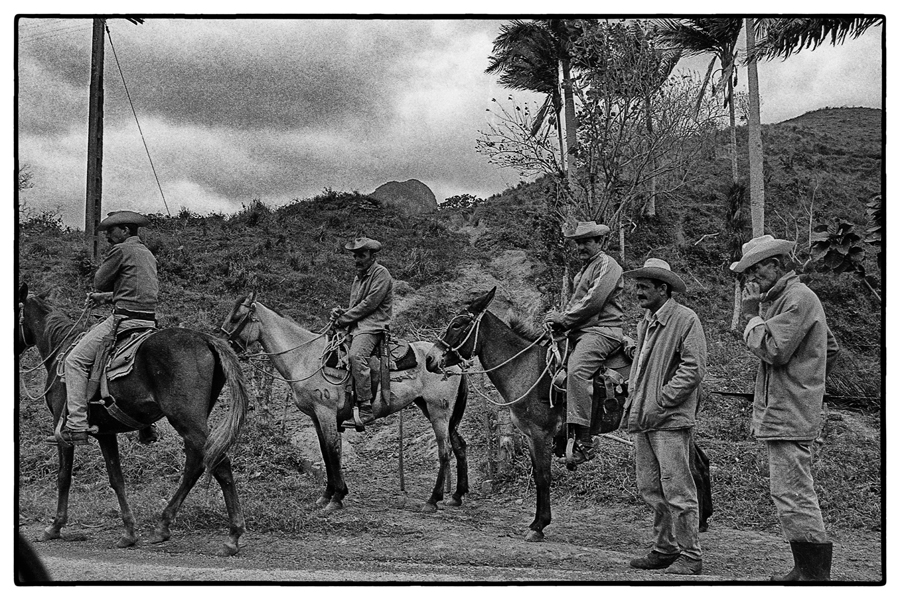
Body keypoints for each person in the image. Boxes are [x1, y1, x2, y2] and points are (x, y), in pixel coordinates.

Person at [731, 234, 840, 582]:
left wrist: (750, 316)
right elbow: (830, 348)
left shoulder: (796, 298)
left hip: (790, 412)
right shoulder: (787, 299)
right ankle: (806, 568)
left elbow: (774, 350)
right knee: (788, 490)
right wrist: (806, 378)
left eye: (756, 269)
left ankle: (813, 573)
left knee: (793, 491)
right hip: (787, 408)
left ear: (776, 265)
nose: (751, 279)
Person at [621, 258, 707, 576]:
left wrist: (662, 399)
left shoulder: (685, 319)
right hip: (645, 417)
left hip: (669, 419)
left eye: (644, 286)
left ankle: (691, 554)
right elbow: (646, 365)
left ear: (662, 288)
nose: (638, 291)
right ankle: (665, 547)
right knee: (651, 487)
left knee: (677, 488)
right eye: (637, 285)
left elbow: (693, 367)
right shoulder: (647, 321)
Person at [46, 211, 158, 446]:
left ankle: (76, 425)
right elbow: (136, 290)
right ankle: (147, 424)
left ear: (126, 230)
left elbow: (99, 280)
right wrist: (106, 298)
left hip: (124, 320)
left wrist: (101, 289)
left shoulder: (120, 250)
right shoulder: (147, 253)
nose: (107, 235)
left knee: (74, 361)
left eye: (111, 230)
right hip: (148, 321)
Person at [543, 221, 624, 465]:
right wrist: (557, 322)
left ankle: (585, 442)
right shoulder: (583, 270)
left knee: (577, 370)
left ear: (600, 242)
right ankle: (561, 432)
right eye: (578, 242)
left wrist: (564, 319)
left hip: (602, 331)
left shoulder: (607, 265)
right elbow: (575, 303)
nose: (580, 246)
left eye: (586, 241)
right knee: (549, 365)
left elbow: (593, 302)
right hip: (579, 331)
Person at [330, 236, 393, 426]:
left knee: (356, 356)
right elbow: (355, 305)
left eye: (361, 255)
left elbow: (369, 305)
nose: (357, 260)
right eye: (355, 256)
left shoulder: (381, 274)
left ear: (372, 256)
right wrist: (340, 313)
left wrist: (344, 319)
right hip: (357, 325)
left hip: (373, 326)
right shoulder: (358, 278)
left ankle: (366, 408)